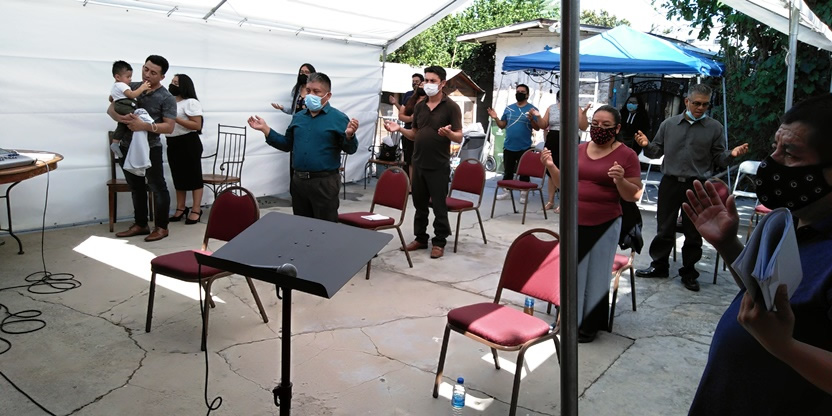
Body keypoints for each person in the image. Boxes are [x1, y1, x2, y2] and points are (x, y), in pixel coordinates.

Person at [684, 93, 832, 414]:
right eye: (775, 147)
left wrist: (786, 348)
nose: (772, 161)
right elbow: (768, 296)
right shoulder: (788, 222)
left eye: (790, 153)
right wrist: (727, 244)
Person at [540, 105, 642, 342]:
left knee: (596, 275)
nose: (599, 129)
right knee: (571, 272)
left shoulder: (626, 155)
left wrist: (620, 180)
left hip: (605, 222)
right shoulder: (578, 149)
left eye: (606, 125)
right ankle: (567, 320)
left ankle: (589, 325)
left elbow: (634, 195)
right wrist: (551, 166)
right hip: (573, 221)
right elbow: (563, 183)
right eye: (595, 124)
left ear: (617, 128)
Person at [634, 84, 749, 292]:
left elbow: (719, 158)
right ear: (687, 101)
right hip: (670, 182)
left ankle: (689, 272)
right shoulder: (669, 124)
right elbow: (655, 152)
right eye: (696, 103)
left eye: (705, 104)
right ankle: (659, 265)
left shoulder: (714, 128)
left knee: (694, 232)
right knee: (664, 228)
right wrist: (645, 145)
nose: (700, 108)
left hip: (697, 185)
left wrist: (731, 155)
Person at [248, 72, 359, 222]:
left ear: (328, 95)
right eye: (308, 90)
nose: (310, 95)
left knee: (325, 227)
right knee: (301, 226)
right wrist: (266, 129)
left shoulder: (338, 118)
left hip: (324, 182)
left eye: (316, 91)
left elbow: (351, 149)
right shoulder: (298, 117)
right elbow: (287, 144)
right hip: (299, 182)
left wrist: (349, 136)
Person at [384, 65, 463, 259]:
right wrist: (399, 129)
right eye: (426, 80)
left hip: (438, 164)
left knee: (439, 205)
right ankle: (420, 238)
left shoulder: (451, 107)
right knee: (419, 204)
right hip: (418, 162)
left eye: (432, 81)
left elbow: (459, 137)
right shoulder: (419, 107)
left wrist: (449, 134)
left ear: (442, 83)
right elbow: (414, 134)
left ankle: (439, 241)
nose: (427, 84)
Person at [107, 55, 176, 242]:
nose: (147, 74)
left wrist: (144, 126)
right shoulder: (131, 86)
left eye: (153, 73)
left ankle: (161, 227)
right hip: (126, 145)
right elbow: (111, 107)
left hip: (151, 148)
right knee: (136, 187)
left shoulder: (167, 97)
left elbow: (169, 127)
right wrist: (119, 117)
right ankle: (140, 224)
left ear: (162, 77)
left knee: (157, 187)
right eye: (145, 69)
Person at [528, 90, 590, 212]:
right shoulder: (551, 108)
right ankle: (550, 201)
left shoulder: (576, 108)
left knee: (566, 171)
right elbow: (543, 125)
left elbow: (583, 127)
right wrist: (538, 116)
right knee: (551, 170)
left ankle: (564, 202)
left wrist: (584, 113)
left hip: (570, 139)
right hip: (553, 139)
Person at [488, 84, 539, 204]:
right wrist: (495, 117)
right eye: (518, 91)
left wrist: (532, 119)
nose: (519, 93)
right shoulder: (509, 109)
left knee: (524, 172)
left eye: (522, 92)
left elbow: (537, 128)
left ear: (527, 95)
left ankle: (524, 193)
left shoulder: (532, 110)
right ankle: (507, 192)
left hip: (524, 147)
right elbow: (502, 125)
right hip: (509, 145)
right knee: (508, 171)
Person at [165, 74, 205, 225]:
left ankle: (196, 209)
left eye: (176, 83)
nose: (172, 85)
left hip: (188, 142)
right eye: (172, 82)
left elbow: (197, 125)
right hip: (172, 142)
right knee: (178, 176)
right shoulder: (170, 101)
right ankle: (181, 208)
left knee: (194, 177)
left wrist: (175, 118)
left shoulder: (191, 102)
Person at [110, 60, 150, 156]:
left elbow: (110, 98)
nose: (130, 79)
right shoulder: (122, 85)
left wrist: (116, 98)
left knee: (122, 124)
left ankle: (115, 142)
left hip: (120, 105)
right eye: (128, 77)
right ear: (117, 77)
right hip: (125, 105)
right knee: (136, 116)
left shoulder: (115, 86)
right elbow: (131, 95)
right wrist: (142, 88)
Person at [390, 73, 425, 179]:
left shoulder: (430, 98)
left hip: (423, 134)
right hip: (408, 131)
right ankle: (409, 184)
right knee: (409, 160)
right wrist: (411, 118)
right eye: (413, 81)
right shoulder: (408, 96)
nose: (415, 83)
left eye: (417, 81)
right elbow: (401, 114)